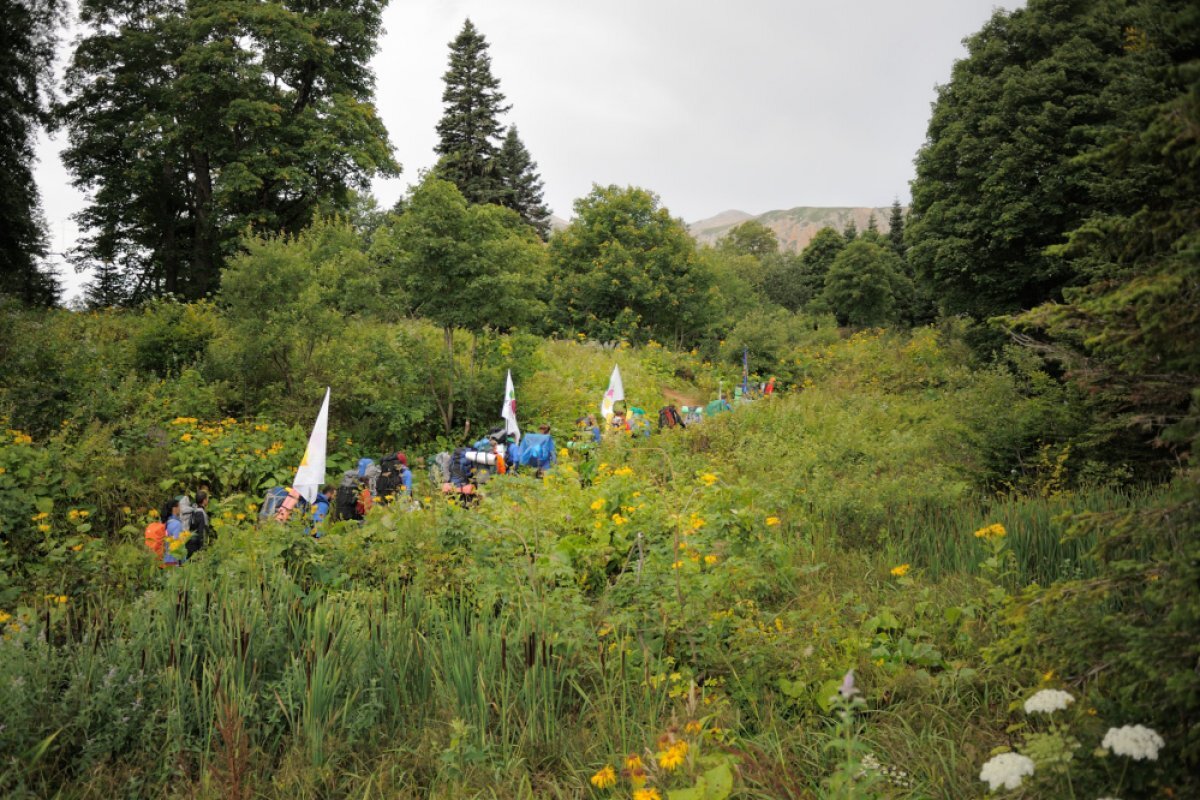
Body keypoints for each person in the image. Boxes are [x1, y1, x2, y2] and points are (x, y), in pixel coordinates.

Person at [185, 490, 210, 558]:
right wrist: (202, 548)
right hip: (196, 544)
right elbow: (201, 530)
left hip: (189, 541)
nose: (208, 500)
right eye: (207, 498)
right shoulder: (201, 513)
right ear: (204, 500)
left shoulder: (193, 510)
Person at [161, 497, 185, 566]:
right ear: (174, 509)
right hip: (174, 561)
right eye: (179, 506)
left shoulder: (164, 522)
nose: (180, 509)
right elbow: (178, 545)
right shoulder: (177, 524)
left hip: (164, 559)